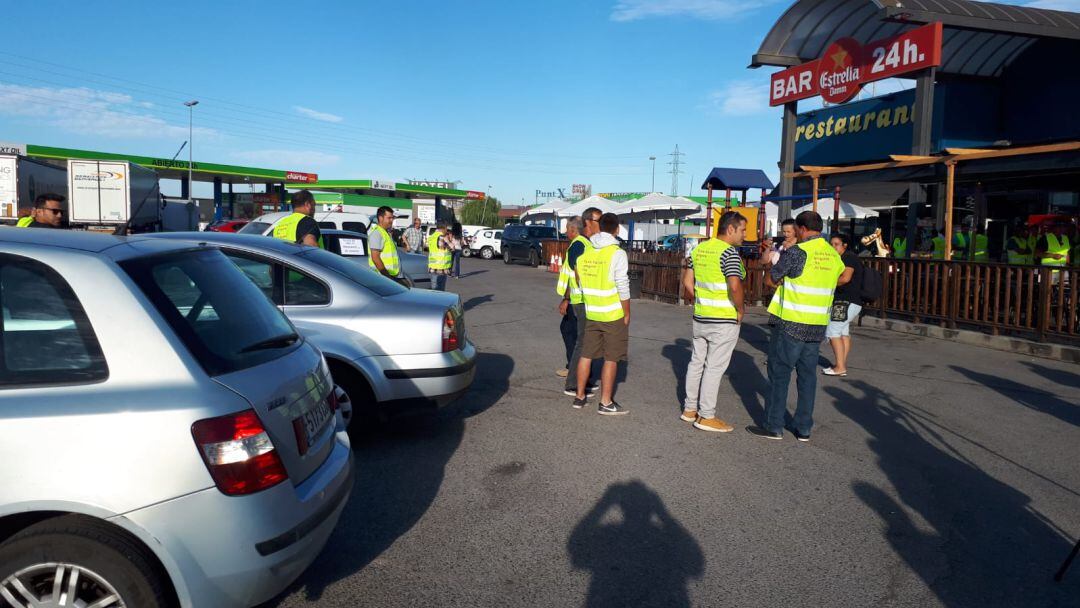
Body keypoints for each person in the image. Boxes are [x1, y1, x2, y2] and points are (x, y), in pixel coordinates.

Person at [748, 210, 843, 442]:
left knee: (779, 374)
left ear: (801, 228)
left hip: (791, 322)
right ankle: (803, 428)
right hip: (818, 324)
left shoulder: (798, 252)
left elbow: (771, 279)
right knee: (808, 377)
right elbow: (838, 277)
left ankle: (774, 425)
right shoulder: (833, 255)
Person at [679, 211, 747, 433]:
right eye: (742, 230)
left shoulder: (699, 249)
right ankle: (706, 415)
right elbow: (735, 286)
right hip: (723, 319)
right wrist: (740, 308)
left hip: (701, 316)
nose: (745, 235)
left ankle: (690, 410)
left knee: (696, 362)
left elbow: (687, 281)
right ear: (731, 229)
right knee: (714, 367)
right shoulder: (730, 254)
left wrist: (701, 299)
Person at [573, 212, 630, 416]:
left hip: (592, 312)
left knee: (586, 355)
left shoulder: (586, 253)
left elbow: (579, 281)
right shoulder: (617, 253)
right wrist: (627, 311)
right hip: (612, 314)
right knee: (611, 358)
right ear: (616, 229)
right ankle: (605, 402)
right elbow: (622, 285)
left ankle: (579, 397)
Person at [556, 211, 599, 396]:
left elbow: (576, 273)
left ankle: (574, 382)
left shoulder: (576, 246)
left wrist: (566, 299)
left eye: (567, 229)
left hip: (579, 299)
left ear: (574, 230)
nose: (566, 232)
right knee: (572, 334)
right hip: (581, 298)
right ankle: (584, 378)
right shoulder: (586, 244)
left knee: (580, 341)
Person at [823, 233, 863, 377]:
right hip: (848, 301)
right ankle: (841, 364)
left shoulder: (849, 257)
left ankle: (840, 367)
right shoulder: (841, 258)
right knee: (843, 333)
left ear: (845, 245)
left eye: (836, 244)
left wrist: (826, 283)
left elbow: (845, 278)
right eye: (831, 244)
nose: (833, 247)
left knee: (833, 331)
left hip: (846, 301)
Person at [368, 206, 402, 280]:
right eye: (389, 218)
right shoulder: (377, 233)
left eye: (392, 218)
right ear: (380, 218)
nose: (391, 220)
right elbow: (375, 258)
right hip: (382, 277)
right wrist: (386, 276)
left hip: (391, 276)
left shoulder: (385, 233)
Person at [427, 220, 452, 291]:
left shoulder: (432, 236)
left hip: (433, 268)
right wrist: (448, 240)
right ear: (443, 228)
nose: (447, 230)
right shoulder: (442, 237)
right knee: (439, 292)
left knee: (434, 291)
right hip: (441, 269)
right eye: (446, 228)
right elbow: (451, 247)